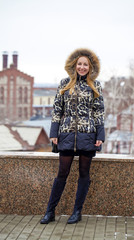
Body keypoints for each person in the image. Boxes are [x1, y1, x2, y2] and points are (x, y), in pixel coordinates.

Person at [40, 48, 105, 224]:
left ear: (90, 67)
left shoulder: (95, 85)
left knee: (84, 173)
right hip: (67, 134)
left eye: (85, 64)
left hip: (88, 134)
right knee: (62, 173)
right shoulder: (64, 83)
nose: (82, 67)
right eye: (80, 64)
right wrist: (54, 133)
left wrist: (100, 135)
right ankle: (50, 212)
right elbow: (57, 110)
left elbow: (98, 112)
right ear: (74, 65)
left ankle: (77, 212)